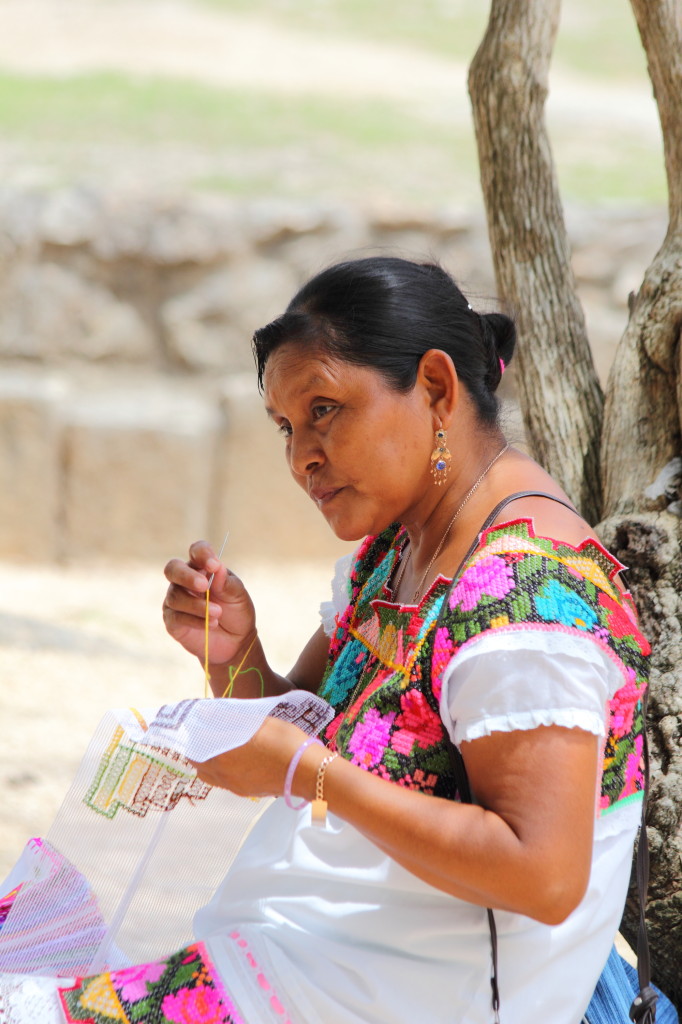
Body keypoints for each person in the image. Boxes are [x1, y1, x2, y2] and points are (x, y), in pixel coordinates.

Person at [0, 257, 656, 1023]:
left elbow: (541, 876)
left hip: (404, 999)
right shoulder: (400, 551)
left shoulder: (528, 602)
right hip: (315, 964)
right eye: (286, 427)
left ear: (437, 389)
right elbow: (303, 724)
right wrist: (235, 656)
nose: (301, 456)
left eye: (325, 409)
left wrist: (311, 777)